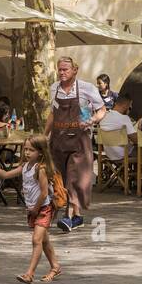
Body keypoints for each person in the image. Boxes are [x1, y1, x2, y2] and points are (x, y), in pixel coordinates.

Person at [0, 135, 62, 284]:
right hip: (33, 209)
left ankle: (29, 274)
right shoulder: (25, 167)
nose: (27, 153)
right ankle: (55, 266)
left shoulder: (40, 169)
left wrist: (35, 209)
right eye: (25, 149)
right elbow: (6, 175)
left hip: (43, 208)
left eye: (31, 150)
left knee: (36, 240)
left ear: (40, 152)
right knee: (44, 240)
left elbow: (44, 193)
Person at [47, 55, 106, 233]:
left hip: (80, 139)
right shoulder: (54, 88)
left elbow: (102, 110)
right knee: (61, 178)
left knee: (74, 177)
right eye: (60, 69)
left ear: (75, 70)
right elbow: (51, 114)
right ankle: (77, 217)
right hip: (58, 139)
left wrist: (92, 120)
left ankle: (68, 216)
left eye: (65, 69)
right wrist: (44, 136)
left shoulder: (87, 88)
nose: (62, 72)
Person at [98, 93, 136, 163]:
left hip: (110, 154)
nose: (130, 108)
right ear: (126, 105)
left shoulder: (104, 116)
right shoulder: (124, 118)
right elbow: (136, 139)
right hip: (123, 155)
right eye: (130, 106)